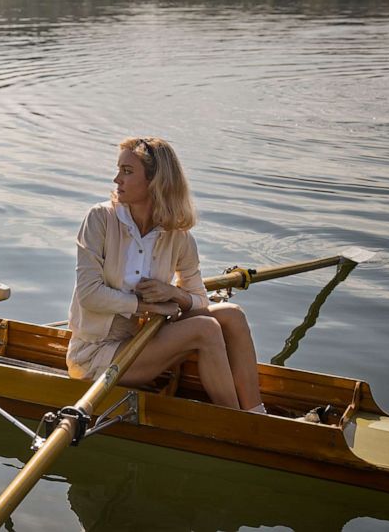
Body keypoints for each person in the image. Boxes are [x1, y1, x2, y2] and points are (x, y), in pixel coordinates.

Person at [66, 136, 265, 413]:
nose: (116, 180)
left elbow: (198, 299)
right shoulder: (100, 219)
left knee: (233, 315)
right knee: (205, 329)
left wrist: (174, 294)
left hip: (148, 337)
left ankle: (257, 414)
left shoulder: (178, 235)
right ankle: (239, 424)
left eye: (127, 171)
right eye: (119, 169)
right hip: (98, 354)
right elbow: (89, 296)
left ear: (155, 181)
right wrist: (145, 305)